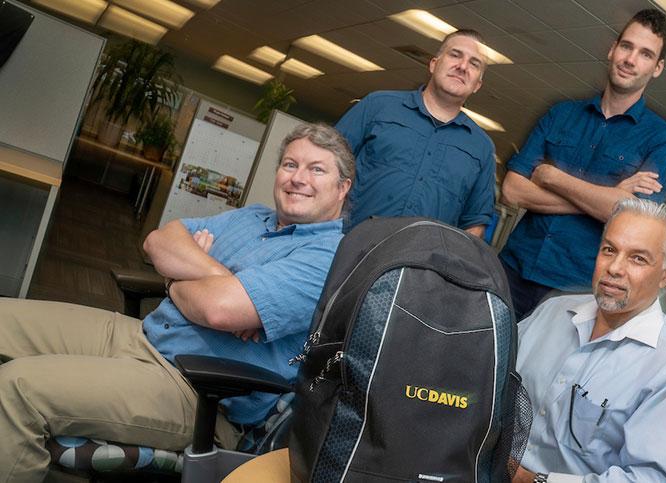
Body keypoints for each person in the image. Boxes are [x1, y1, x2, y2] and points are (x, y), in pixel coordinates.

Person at [0, 123, 354, 482]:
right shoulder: (250, 217)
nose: (298, 178)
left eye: (317, 169)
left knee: (17, 390)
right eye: (290, 164)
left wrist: (178, 277)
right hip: (143, 336)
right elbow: (158, 240)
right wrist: (216, 283)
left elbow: (219, 310)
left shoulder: (327, 257)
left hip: (194, 390)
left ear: (342, 188)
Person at [499, 9, 666, 320]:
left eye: (645, 54)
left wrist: (552, 177)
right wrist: (610, 196)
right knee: (476, 359)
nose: (630, 59)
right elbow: (512, 191)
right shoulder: (560, 114)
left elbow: (634, 221)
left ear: (658, 67)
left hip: (574, 292)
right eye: (626, 46)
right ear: (612, 49)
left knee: (536, 371)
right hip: (511, 269)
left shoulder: (661, 138)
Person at [513, 198, 666, 483]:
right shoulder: (554, 311)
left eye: (638, 258)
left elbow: (651, 480)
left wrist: (532, 481)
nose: (615, 268)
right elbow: (488, 372)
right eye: (609, 250)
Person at [335, 29, 495, 237]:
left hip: (418, 266)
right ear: (433, 64)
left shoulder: (481, 147)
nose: (462, 66)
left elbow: (474, 223)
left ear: (477, 85)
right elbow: (326, 167)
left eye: (474, 64)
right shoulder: (378, 106)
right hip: (345, 247)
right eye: (455, 55)